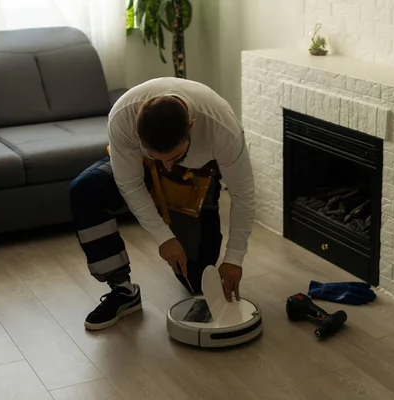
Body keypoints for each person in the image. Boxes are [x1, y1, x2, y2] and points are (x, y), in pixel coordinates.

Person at [69, 77, 255, 331]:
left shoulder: (222, 127)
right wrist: (164, 238)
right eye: (161, 157)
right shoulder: (123, 116)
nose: (168, 165)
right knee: (84, 190)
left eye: (175, 156)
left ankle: (196, 242)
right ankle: (122, 290)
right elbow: (130, 184)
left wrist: (234, 258)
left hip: (195, 177)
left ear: (192, 126)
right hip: (141, 169)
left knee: (197, 278)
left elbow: (243, 195)